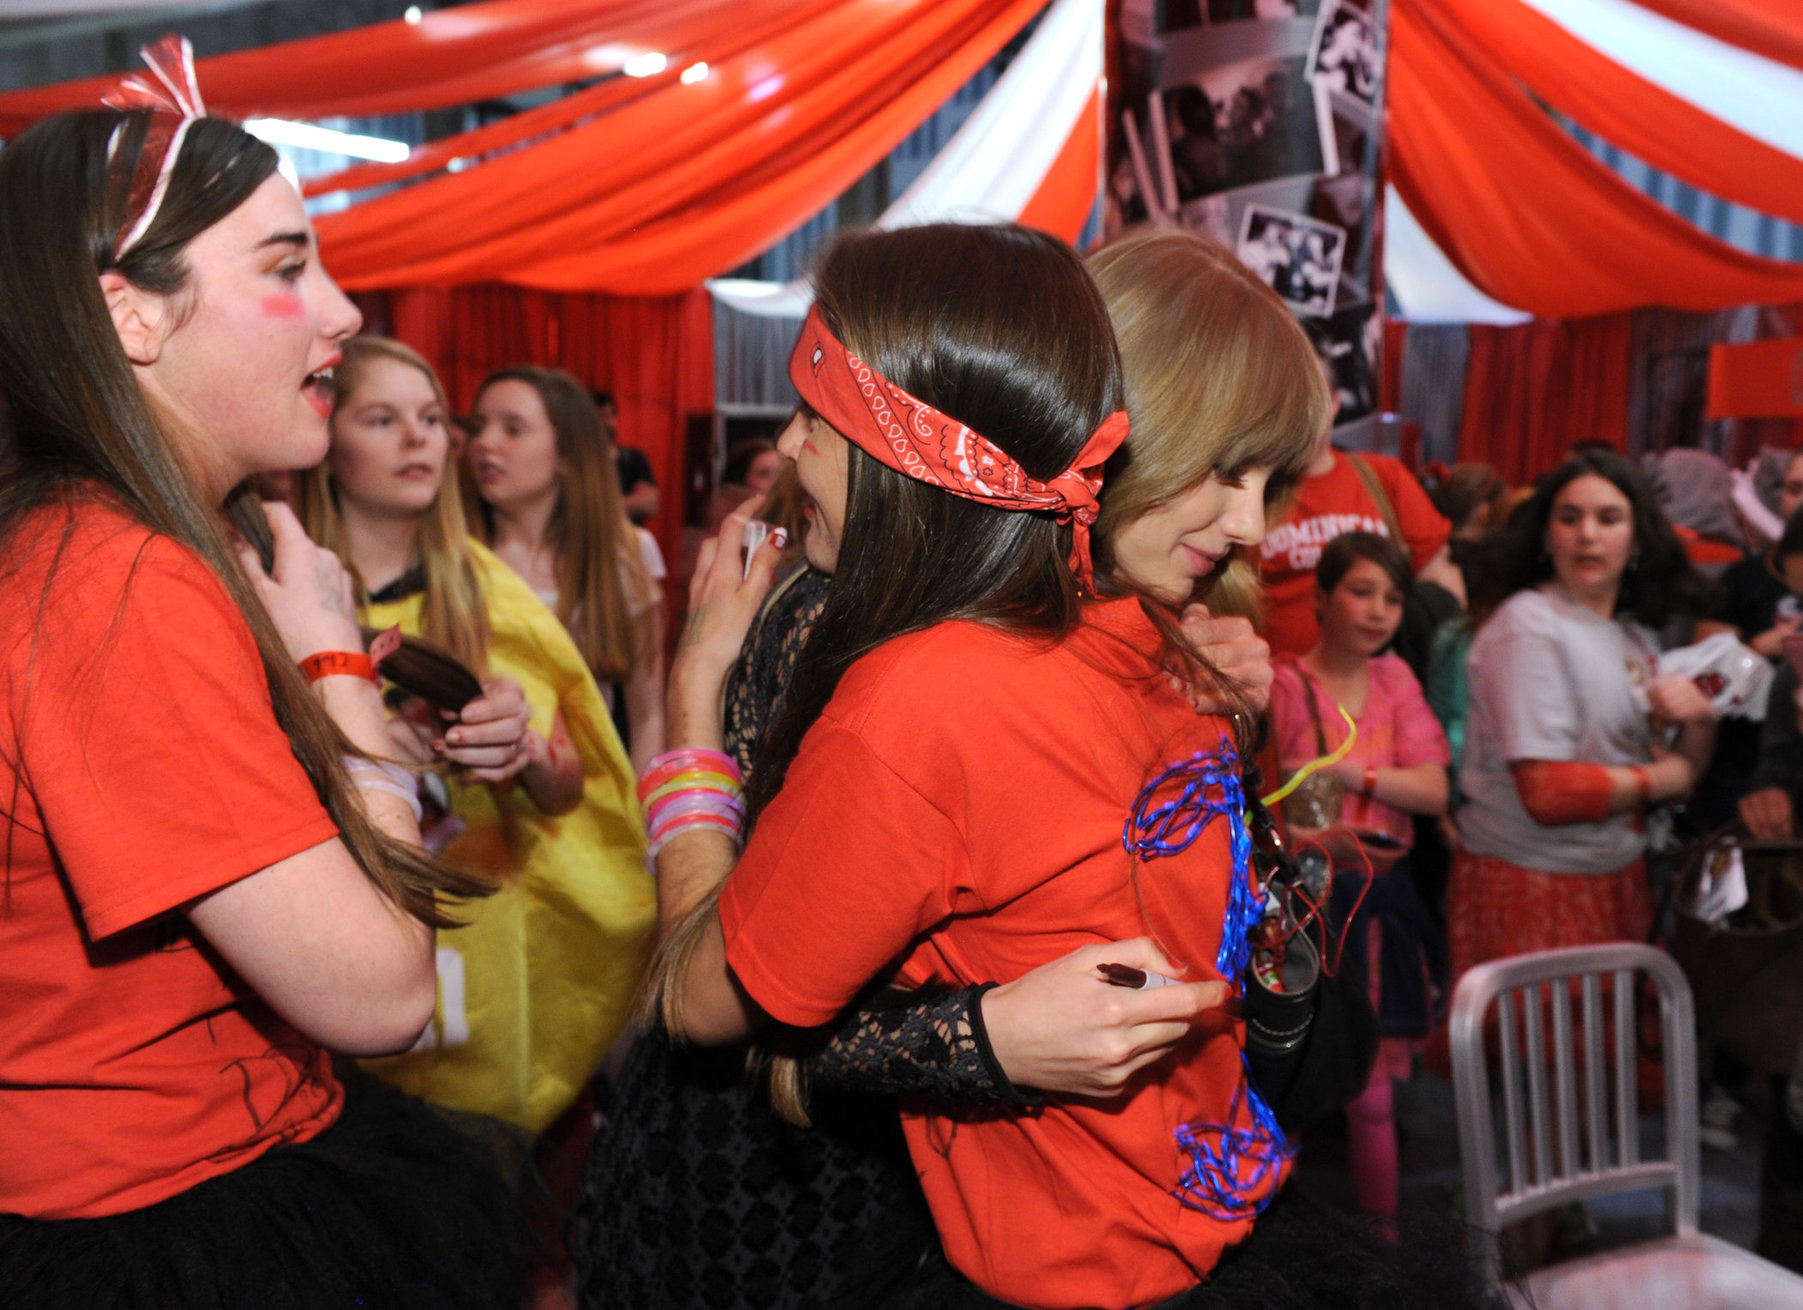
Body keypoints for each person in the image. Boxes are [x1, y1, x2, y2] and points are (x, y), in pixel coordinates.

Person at [578, 226, 1321, 1310]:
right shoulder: (839, 630)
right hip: (776, 1188)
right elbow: (731, 986)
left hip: (1006, 1219)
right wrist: (984, 1039)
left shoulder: (1149, 645)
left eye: (1270, 478)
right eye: (1225, 466)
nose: (1254, 523)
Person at [0, 99, 517, 1305]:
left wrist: (371, 732)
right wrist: (334, 671)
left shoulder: (117, 546)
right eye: (288, 265)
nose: (343, 310)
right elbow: (383, 990)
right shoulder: (114, 581)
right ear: (128, 313)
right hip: (160, 1207)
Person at [296, 336, 655, 1142]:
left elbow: (571, 790)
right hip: (320, 944)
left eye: (429, 418)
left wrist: (524, 751)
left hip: (473, 946)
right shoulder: (277, 588)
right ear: (325, 437)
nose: (419, 437)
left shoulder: (492, 594)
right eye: (383, 418)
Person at [1446, 452, 1719, 1015]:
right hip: (1533, 886)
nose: (1587, 535)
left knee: (1605, 1080)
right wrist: (1669, 774)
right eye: (1569, 518)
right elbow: (1548, 794)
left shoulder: (1635, 635)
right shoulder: (1528, 623)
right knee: (1547, 1086)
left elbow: (1681, 775)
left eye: (1609, 518)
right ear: (1546, 537)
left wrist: (1701, 722)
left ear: (1638, 540)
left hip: (1616, 878)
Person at [1267, 532, 1449, 1229]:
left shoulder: (1395, 680)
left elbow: (1433, 790)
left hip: (1377, 903)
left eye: (1392, 598)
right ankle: (1274, 1246)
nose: (1377, 612)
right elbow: (1258, 805)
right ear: (1318, 598)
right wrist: (1315, 836)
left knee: (1371, 1093)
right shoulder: (1283, 684)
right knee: (1286, 1080)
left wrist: (1346, 773)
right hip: (1306, 905)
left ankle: (1387, 1247)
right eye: (1361, 591)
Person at [467, 366, 667, 773]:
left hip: (594, 812)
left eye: (513, 429)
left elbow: (648, 716)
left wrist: (641, 822)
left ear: (566, 452)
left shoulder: (621, 558)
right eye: (478, 426)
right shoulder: (452, 561)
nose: (485, 443)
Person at [1255, 430, 1459, 657]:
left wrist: (1449, 662)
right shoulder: (1254, 485)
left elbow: (1441, 579)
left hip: (1380, 670)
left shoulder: (1381, 475)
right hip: (1272, 673)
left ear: (1335, 403)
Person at [598, 388, 661, 526]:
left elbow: (649, 503)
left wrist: (602, 507)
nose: (607, 423)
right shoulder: (577, 463)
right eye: (601, 416)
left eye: (610, 416)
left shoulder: (632, 459)